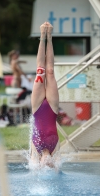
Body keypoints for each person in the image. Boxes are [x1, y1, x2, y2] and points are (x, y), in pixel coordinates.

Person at [30, 22, 60, 168]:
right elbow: (59, 171)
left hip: (37, 108)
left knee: (40, 70)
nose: (46, 162)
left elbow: (32, 172)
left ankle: (42, 35)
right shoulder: (55, 150)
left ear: (41, 163)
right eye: (50, 164)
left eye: (44, 164)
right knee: (50, 72)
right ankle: (50, 36)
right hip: (52, 109)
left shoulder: (35, 151)